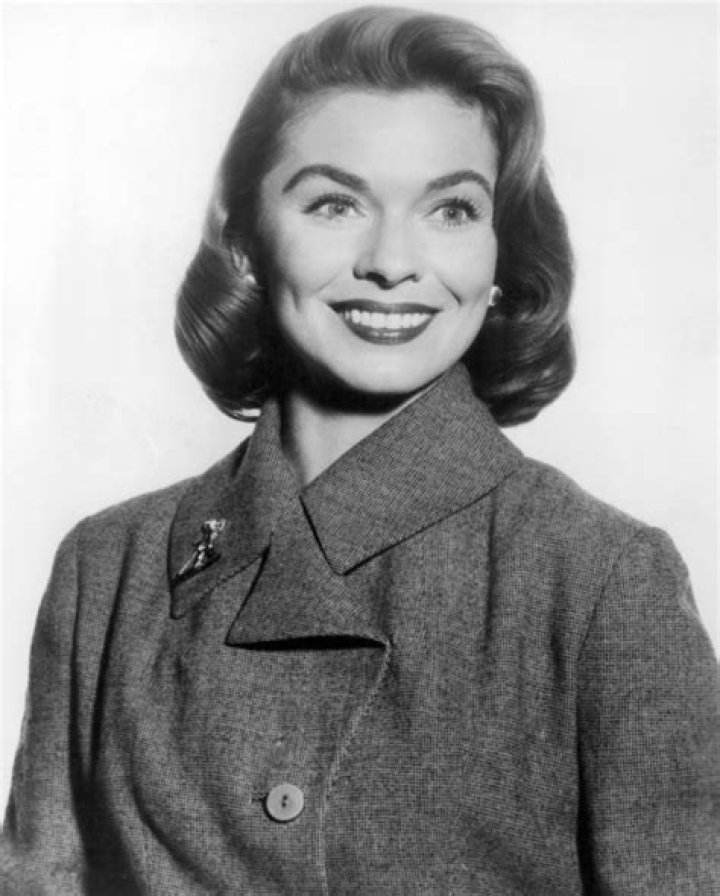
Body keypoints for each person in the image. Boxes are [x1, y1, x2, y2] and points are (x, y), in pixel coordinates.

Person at [3, 5, 718, 894]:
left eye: (451, 209)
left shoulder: (602, 579)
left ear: (500, 261)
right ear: (247, 242)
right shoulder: (107, 570)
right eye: (335, 203)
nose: (391, 261)